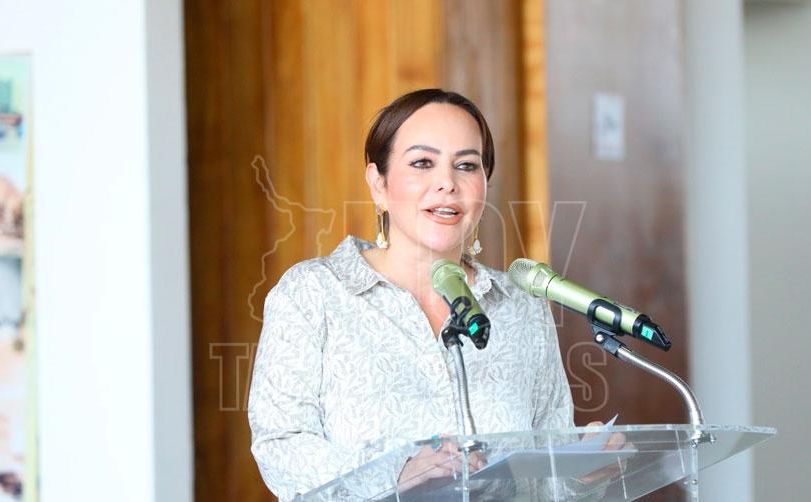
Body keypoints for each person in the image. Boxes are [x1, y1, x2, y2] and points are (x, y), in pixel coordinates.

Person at [248, 89, 607, 500]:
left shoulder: (521, 305)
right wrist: (397, 475)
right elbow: (280, 448)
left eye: (466, 165)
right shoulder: (313, 294)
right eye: (422, 163)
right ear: (378, 184)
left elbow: (548, 474)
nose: (447, 183)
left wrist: (582, 475)